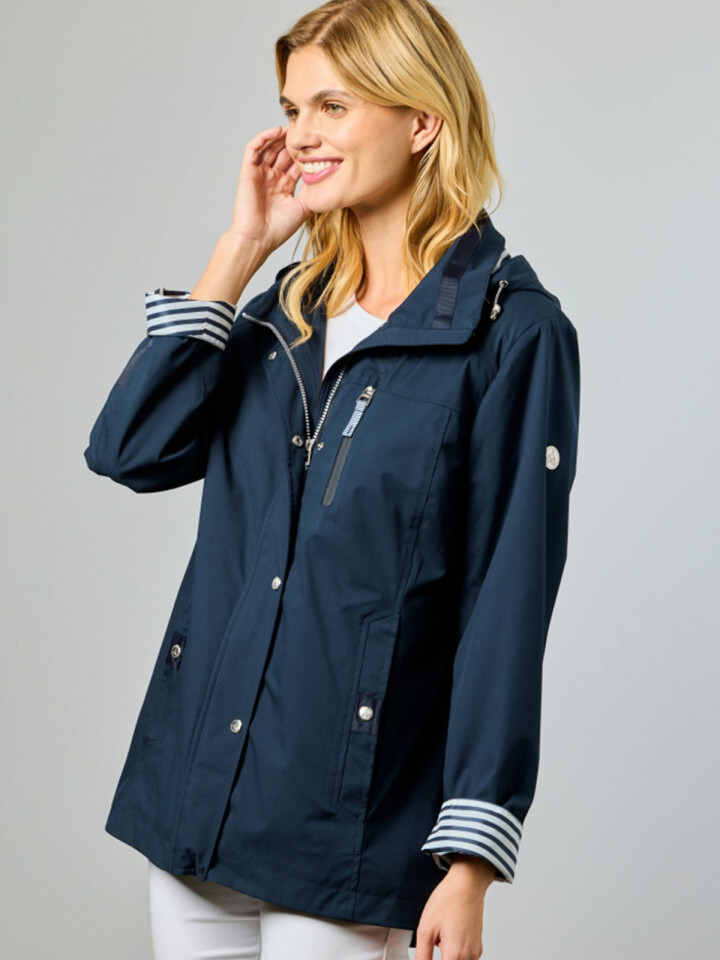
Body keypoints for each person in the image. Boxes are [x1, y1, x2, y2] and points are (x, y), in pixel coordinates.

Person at [84, 1, 581, 958]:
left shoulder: (510, 332)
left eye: (332, 106)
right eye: (291, 107)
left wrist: (470, 863)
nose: (299, 135)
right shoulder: (285, 312)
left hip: (344, 824)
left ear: (422, 119)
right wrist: (241, 249)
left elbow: (506, 603)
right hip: (198, 800)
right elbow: (130, 451)